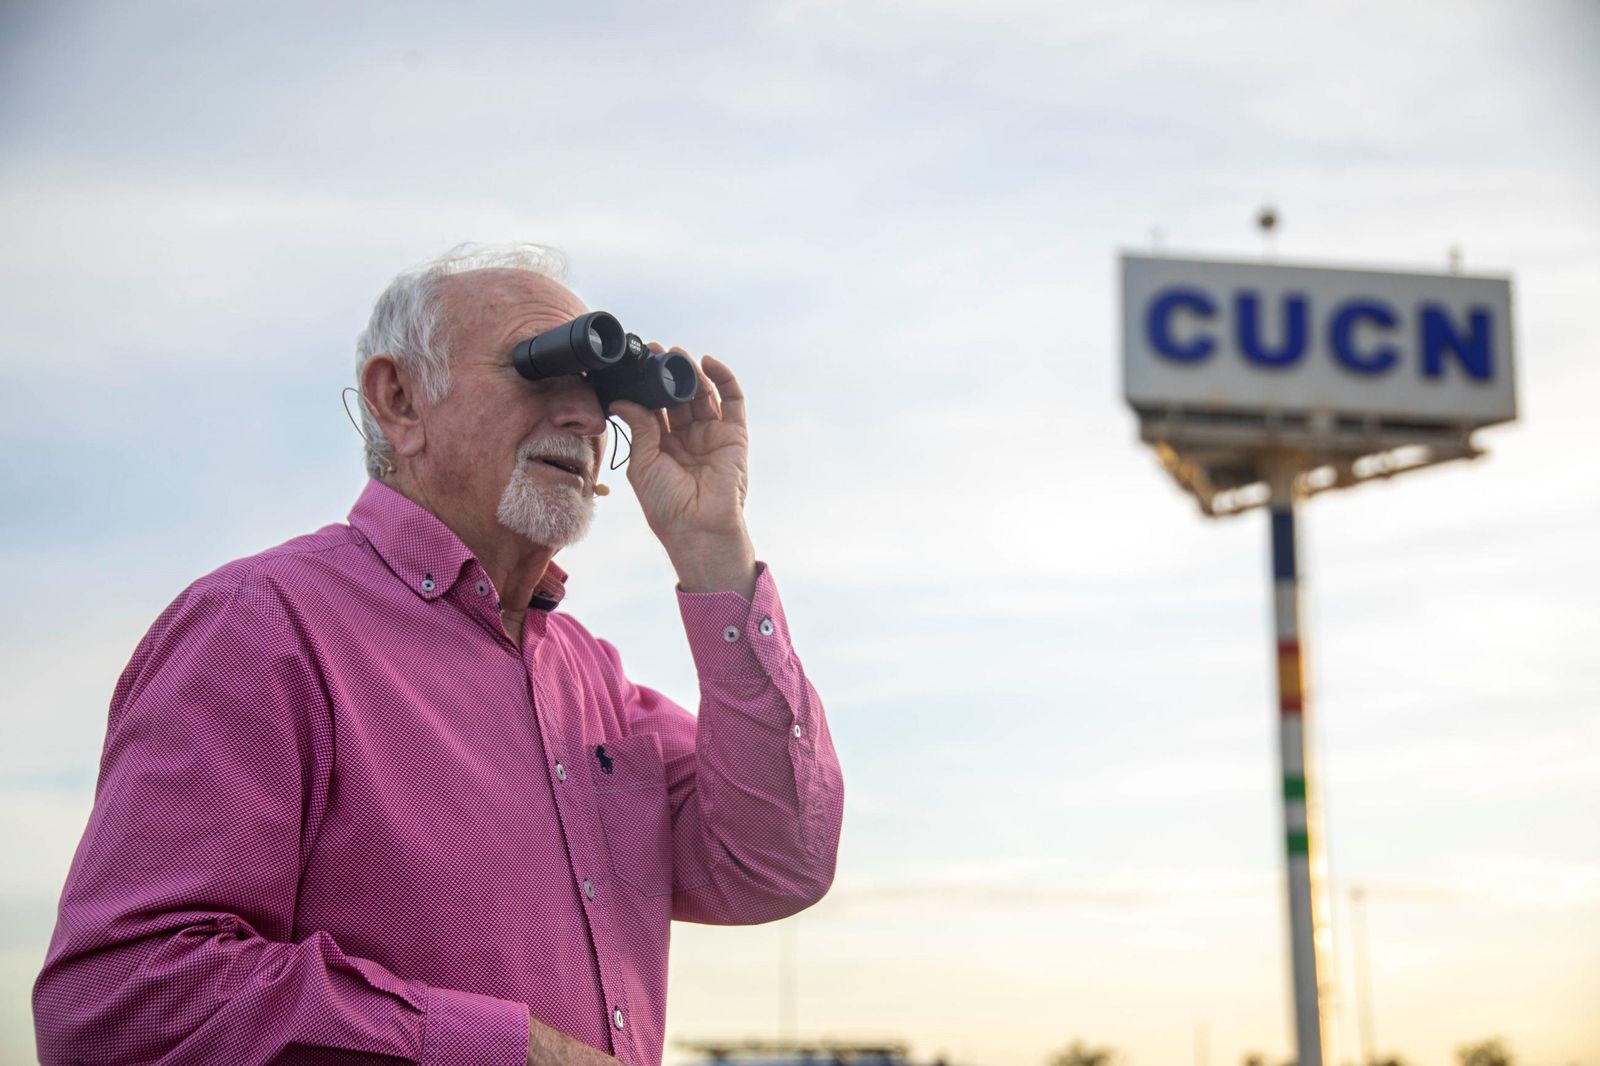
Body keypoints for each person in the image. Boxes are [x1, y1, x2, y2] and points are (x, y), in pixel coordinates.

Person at [32, 243, 845, 1066]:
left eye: (600, 391)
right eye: (540, 371)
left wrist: (713, 548)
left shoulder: (594, 681)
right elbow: (121, 1001)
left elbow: (777, 862)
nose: (584, 418)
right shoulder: (263, 626)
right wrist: (513, 1053)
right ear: (400, 401)